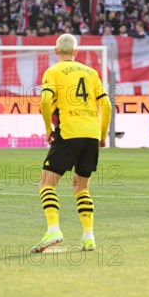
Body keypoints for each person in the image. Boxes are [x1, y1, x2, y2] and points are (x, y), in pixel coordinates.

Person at [32, 34, 112, 253]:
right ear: (76, 52)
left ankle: (53, 229)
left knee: (46, 183)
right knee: (81, 186)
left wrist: (49, 129)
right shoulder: (92, 72)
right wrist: (102, 134)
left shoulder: (53, 71)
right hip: (91, 134)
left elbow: (46, 101)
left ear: (56, 51)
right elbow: (106, 105)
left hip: (69, 131)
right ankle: (88, 236)